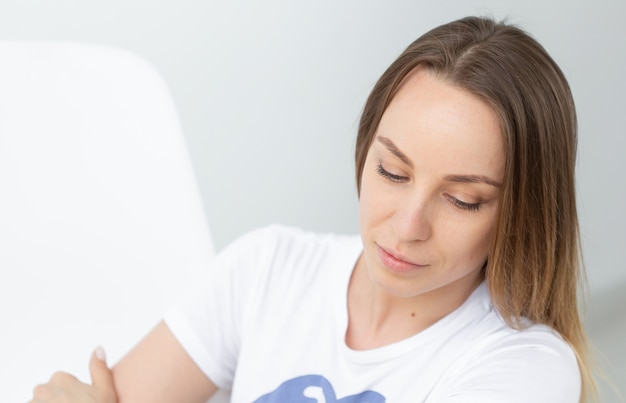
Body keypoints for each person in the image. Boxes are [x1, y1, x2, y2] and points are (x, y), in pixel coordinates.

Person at [30, 16, 595, 403]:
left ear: (520, 216)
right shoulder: (267, 269)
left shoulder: (525, 370)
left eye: (461, 200)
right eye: (392, 172)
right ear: (364, 150)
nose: (406, 226)